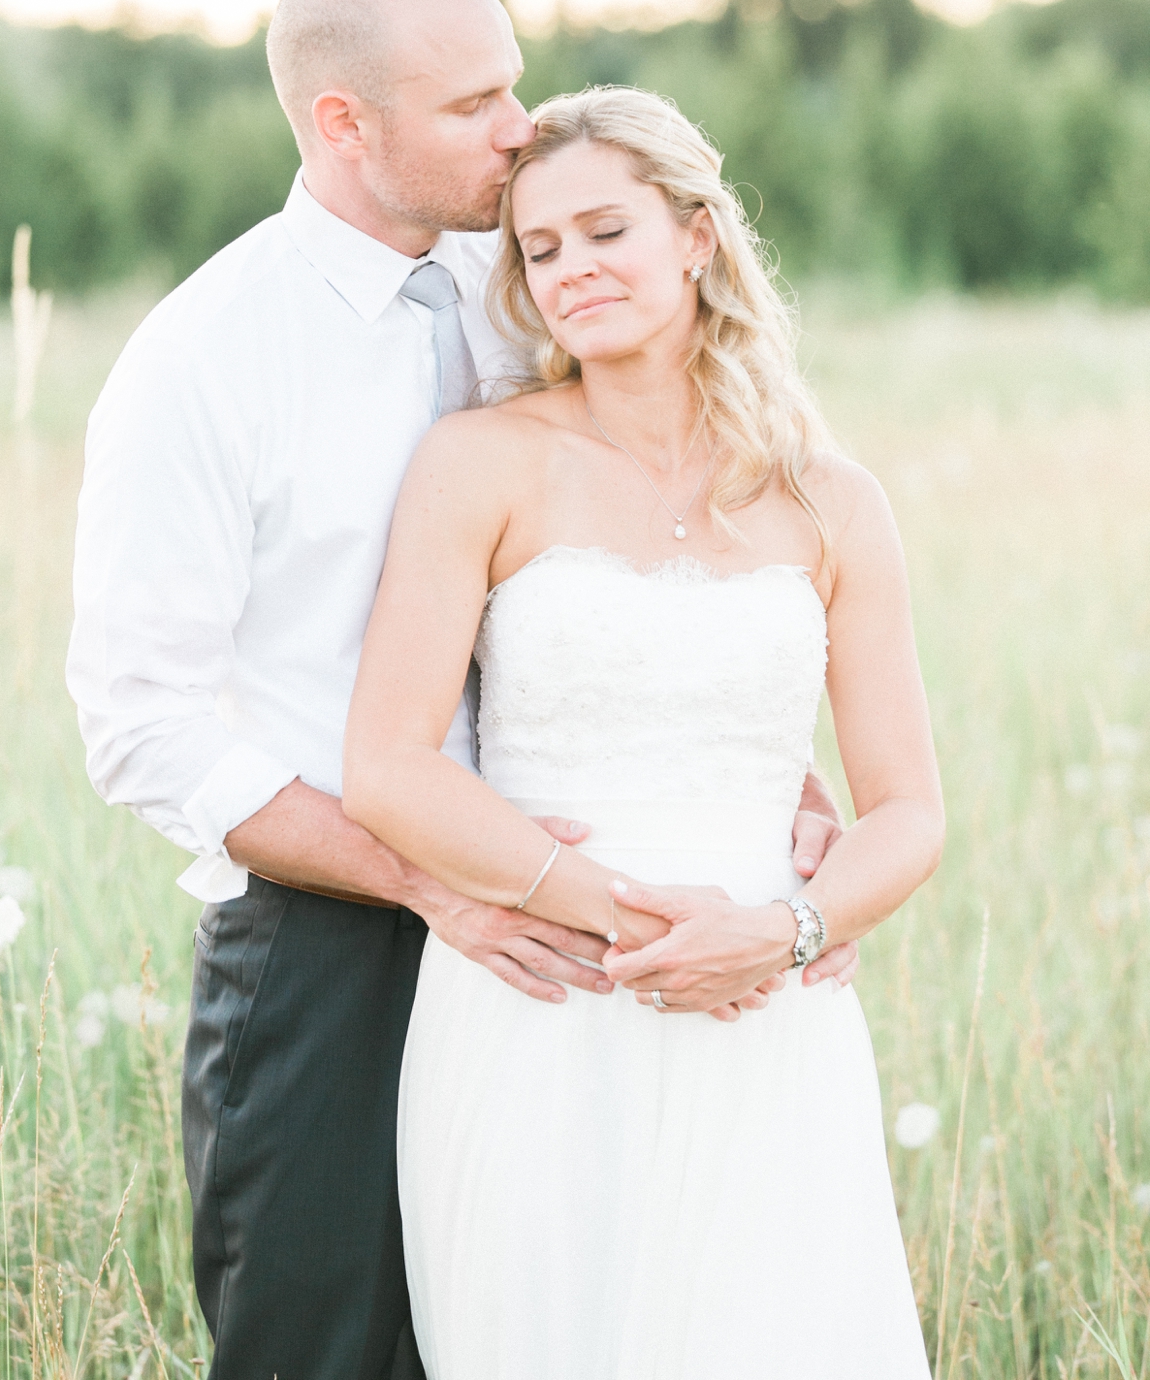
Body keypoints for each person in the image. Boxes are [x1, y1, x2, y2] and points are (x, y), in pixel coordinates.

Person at [67, 0, 856, 1380]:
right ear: (345, 126)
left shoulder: (537, 272)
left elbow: (635, 538)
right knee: (331, 1346)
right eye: (472, 102)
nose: (520, 127)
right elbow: (141, 726)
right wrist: (434, 879)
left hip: (614, 941)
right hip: (336, 944)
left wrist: (756, 773)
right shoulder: (204, 361)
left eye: (517, 83)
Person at [342, 85, 944, 1379]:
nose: (570, 270)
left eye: (604, 230)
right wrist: (620, 916)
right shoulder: (481, 462)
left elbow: (907, 809)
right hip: (541, 1002)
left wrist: (784, 932)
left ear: (697, 235)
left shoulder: (830, 501)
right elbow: (384, 767)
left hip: (764, 1019)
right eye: (540, 249)